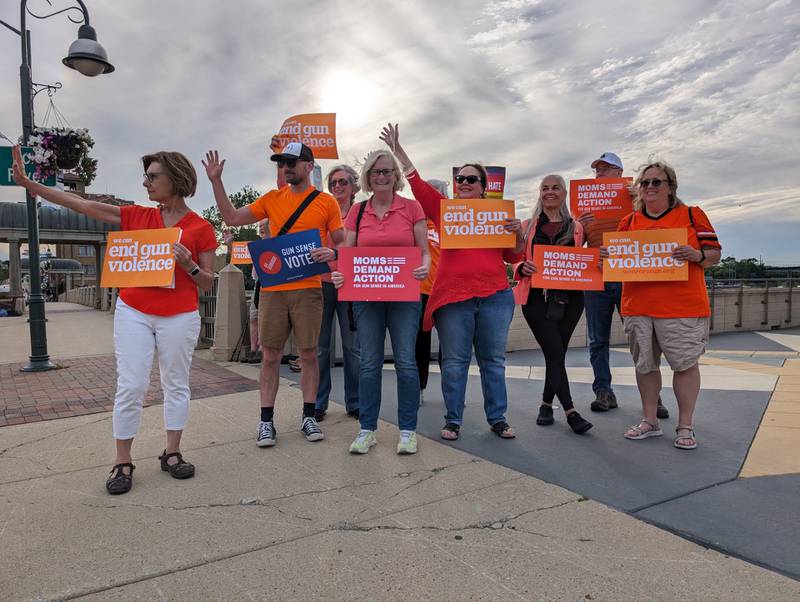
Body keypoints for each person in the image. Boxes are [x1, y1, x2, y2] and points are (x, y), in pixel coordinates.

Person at [12, 146, 217, 495]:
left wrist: (189, 266)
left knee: (176, 384)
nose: (146, 182)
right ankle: (122, 460)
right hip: (134, 311)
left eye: (153, 176)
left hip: (179, 314)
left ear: (176, 179)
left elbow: (208, 280)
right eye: (146, 176)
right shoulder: (137, 216)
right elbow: (83, 205)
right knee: (132, 385)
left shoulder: (200, 228)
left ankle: (172, 452)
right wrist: (32, 185)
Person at [380, 124, 525, 441]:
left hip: (495, 297)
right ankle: (453, 420)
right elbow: (415, 181)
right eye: (460, 178)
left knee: (493, 362)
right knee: (455, 362)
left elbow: (513, 257)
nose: (464, 183)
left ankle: (497, 419)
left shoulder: (497, 214)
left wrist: (519, 233)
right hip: (454, 300)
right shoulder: (444, 212)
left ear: (483, 186)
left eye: (471, 179)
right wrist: (396, 148)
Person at [203, 143, 344, 447]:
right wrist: (216, 181)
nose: (286, 168)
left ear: (308, 166)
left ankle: (308, 415)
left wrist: (331, 252)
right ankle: (266, 421)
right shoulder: (271, 199)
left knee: (308, 354)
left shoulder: (326, 202)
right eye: (282, 163)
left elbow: (343, 244)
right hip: (274, 290)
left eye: (292, 162)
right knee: (269, 356)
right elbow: (231, 217)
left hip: (309, 288)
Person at [601, 160, 721, 449]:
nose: (650, 187)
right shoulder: (628, 222)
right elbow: (619, 261)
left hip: (682, 308)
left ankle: (685, 426)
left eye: (657, 181)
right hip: (638, 307)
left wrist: (696, 255)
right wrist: (608, 255)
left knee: (685, 365)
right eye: (645, 182)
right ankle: (650, 420)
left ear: (671, 187)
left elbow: (714, 254)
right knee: (645, 366)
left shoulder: (692, 215)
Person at [332, 150, 430, 454]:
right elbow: (346, 255)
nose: (382, 176)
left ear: (396, 176)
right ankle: (367, 429)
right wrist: (340, 275)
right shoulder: (357, 212)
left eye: (387, 171)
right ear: (368, 177)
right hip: (366, 297)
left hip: (403, 297)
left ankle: (408, 430)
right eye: (376, 172)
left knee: (406, 362)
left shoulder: (412, 208)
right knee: (370, 363)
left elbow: (423, 249)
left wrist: (424, 265)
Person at [579, 153, 669, 419]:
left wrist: (638, 199)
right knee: (597, 340)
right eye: (597, 169)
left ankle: (654, 397)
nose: (599, 174)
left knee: (641, 338)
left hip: (629, 276)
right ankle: (603, 391)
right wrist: (579, 226)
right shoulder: (586, 204)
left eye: (606, 169)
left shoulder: (637, 198)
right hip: (597, 278)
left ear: (619, 173)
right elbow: (577, 244)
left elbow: (655, 228)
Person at [513, 175, 593, 434]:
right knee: (555, 353)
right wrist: (520, 266)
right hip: (536, 299)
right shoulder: (527, 226)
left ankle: (546, 404)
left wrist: (598, 260)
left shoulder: (577, 227)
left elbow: (584, 260)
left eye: (555, 187)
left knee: (556, 354)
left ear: (564, 193)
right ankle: (570, 411)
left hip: (570, 300)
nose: (549, 192)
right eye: (545, 188)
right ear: (540, 193)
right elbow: (513, 257)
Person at [315, 164, 361, 422]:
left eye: (343, 182)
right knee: (320, 348)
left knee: (352, 347)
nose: (338, 187)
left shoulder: (361, 213)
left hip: (351, 284)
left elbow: (365, 249)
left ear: (355, 186)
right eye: (333, 183)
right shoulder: (322, 211)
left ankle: (354, 402)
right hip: (322, 281)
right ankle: (320, 402)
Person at [415, 179, 446, 401]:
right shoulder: (415, 224)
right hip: (421, 292)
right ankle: (419, 390)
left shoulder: (452, 225)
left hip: (447, 291)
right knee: (420, 344)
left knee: (450, 346)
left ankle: (452, 392)